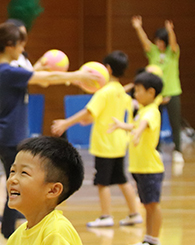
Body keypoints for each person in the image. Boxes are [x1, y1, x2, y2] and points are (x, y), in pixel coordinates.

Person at [0, 22, 90, 245]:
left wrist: (39, 68)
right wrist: (78, 75)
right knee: (17, 189)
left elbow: (35, 77)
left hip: (9, 136)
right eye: (20, 43)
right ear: (9, 45)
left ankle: (13, 237)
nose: (23, 47)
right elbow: (47, 77)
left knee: (20, 189)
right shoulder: (7, 71)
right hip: (9, 137)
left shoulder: (4, 70)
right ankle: (6, 238)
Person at [52, 51, 141, 228]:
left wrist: (66, 123)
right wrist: (90, 119)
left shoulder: (104, 92)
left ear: (107, 68)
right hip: (119, 142)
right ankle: (134, 213)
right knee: (122, 180)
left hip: (105, 143)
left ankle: (106, 216)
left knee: (102, 182)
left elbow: (88, 111)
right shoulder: (121, 92)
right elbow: (98, 114)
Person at [110, 72, 165, 245]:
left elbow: (143, 125)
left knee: (152, 205)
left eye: (139, 91)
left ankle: (154, 240)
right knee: (147, 205)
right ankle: (148, 240)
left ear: (151, 92)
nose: (135, 94)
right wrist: (121, 125)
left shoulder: (152, 111)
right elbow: (135, 125)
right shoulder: (142, 110)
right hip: (139, 167)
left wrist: (139, 133)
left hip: (150, 167)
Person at [131, 15, 184, 163]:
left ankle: (178, 150)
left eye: (162, 41)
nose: (159, 44)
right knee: (155, 123)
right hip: (155, 94)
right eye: (157, 41)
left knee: (175, 123)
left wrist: (170, 31)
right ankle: (157, 149)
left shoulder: (172, 53)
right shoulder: (153, 52)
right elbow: (145, 42)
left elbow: (174, 44)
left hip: (172, 92)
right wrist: (138, 27)